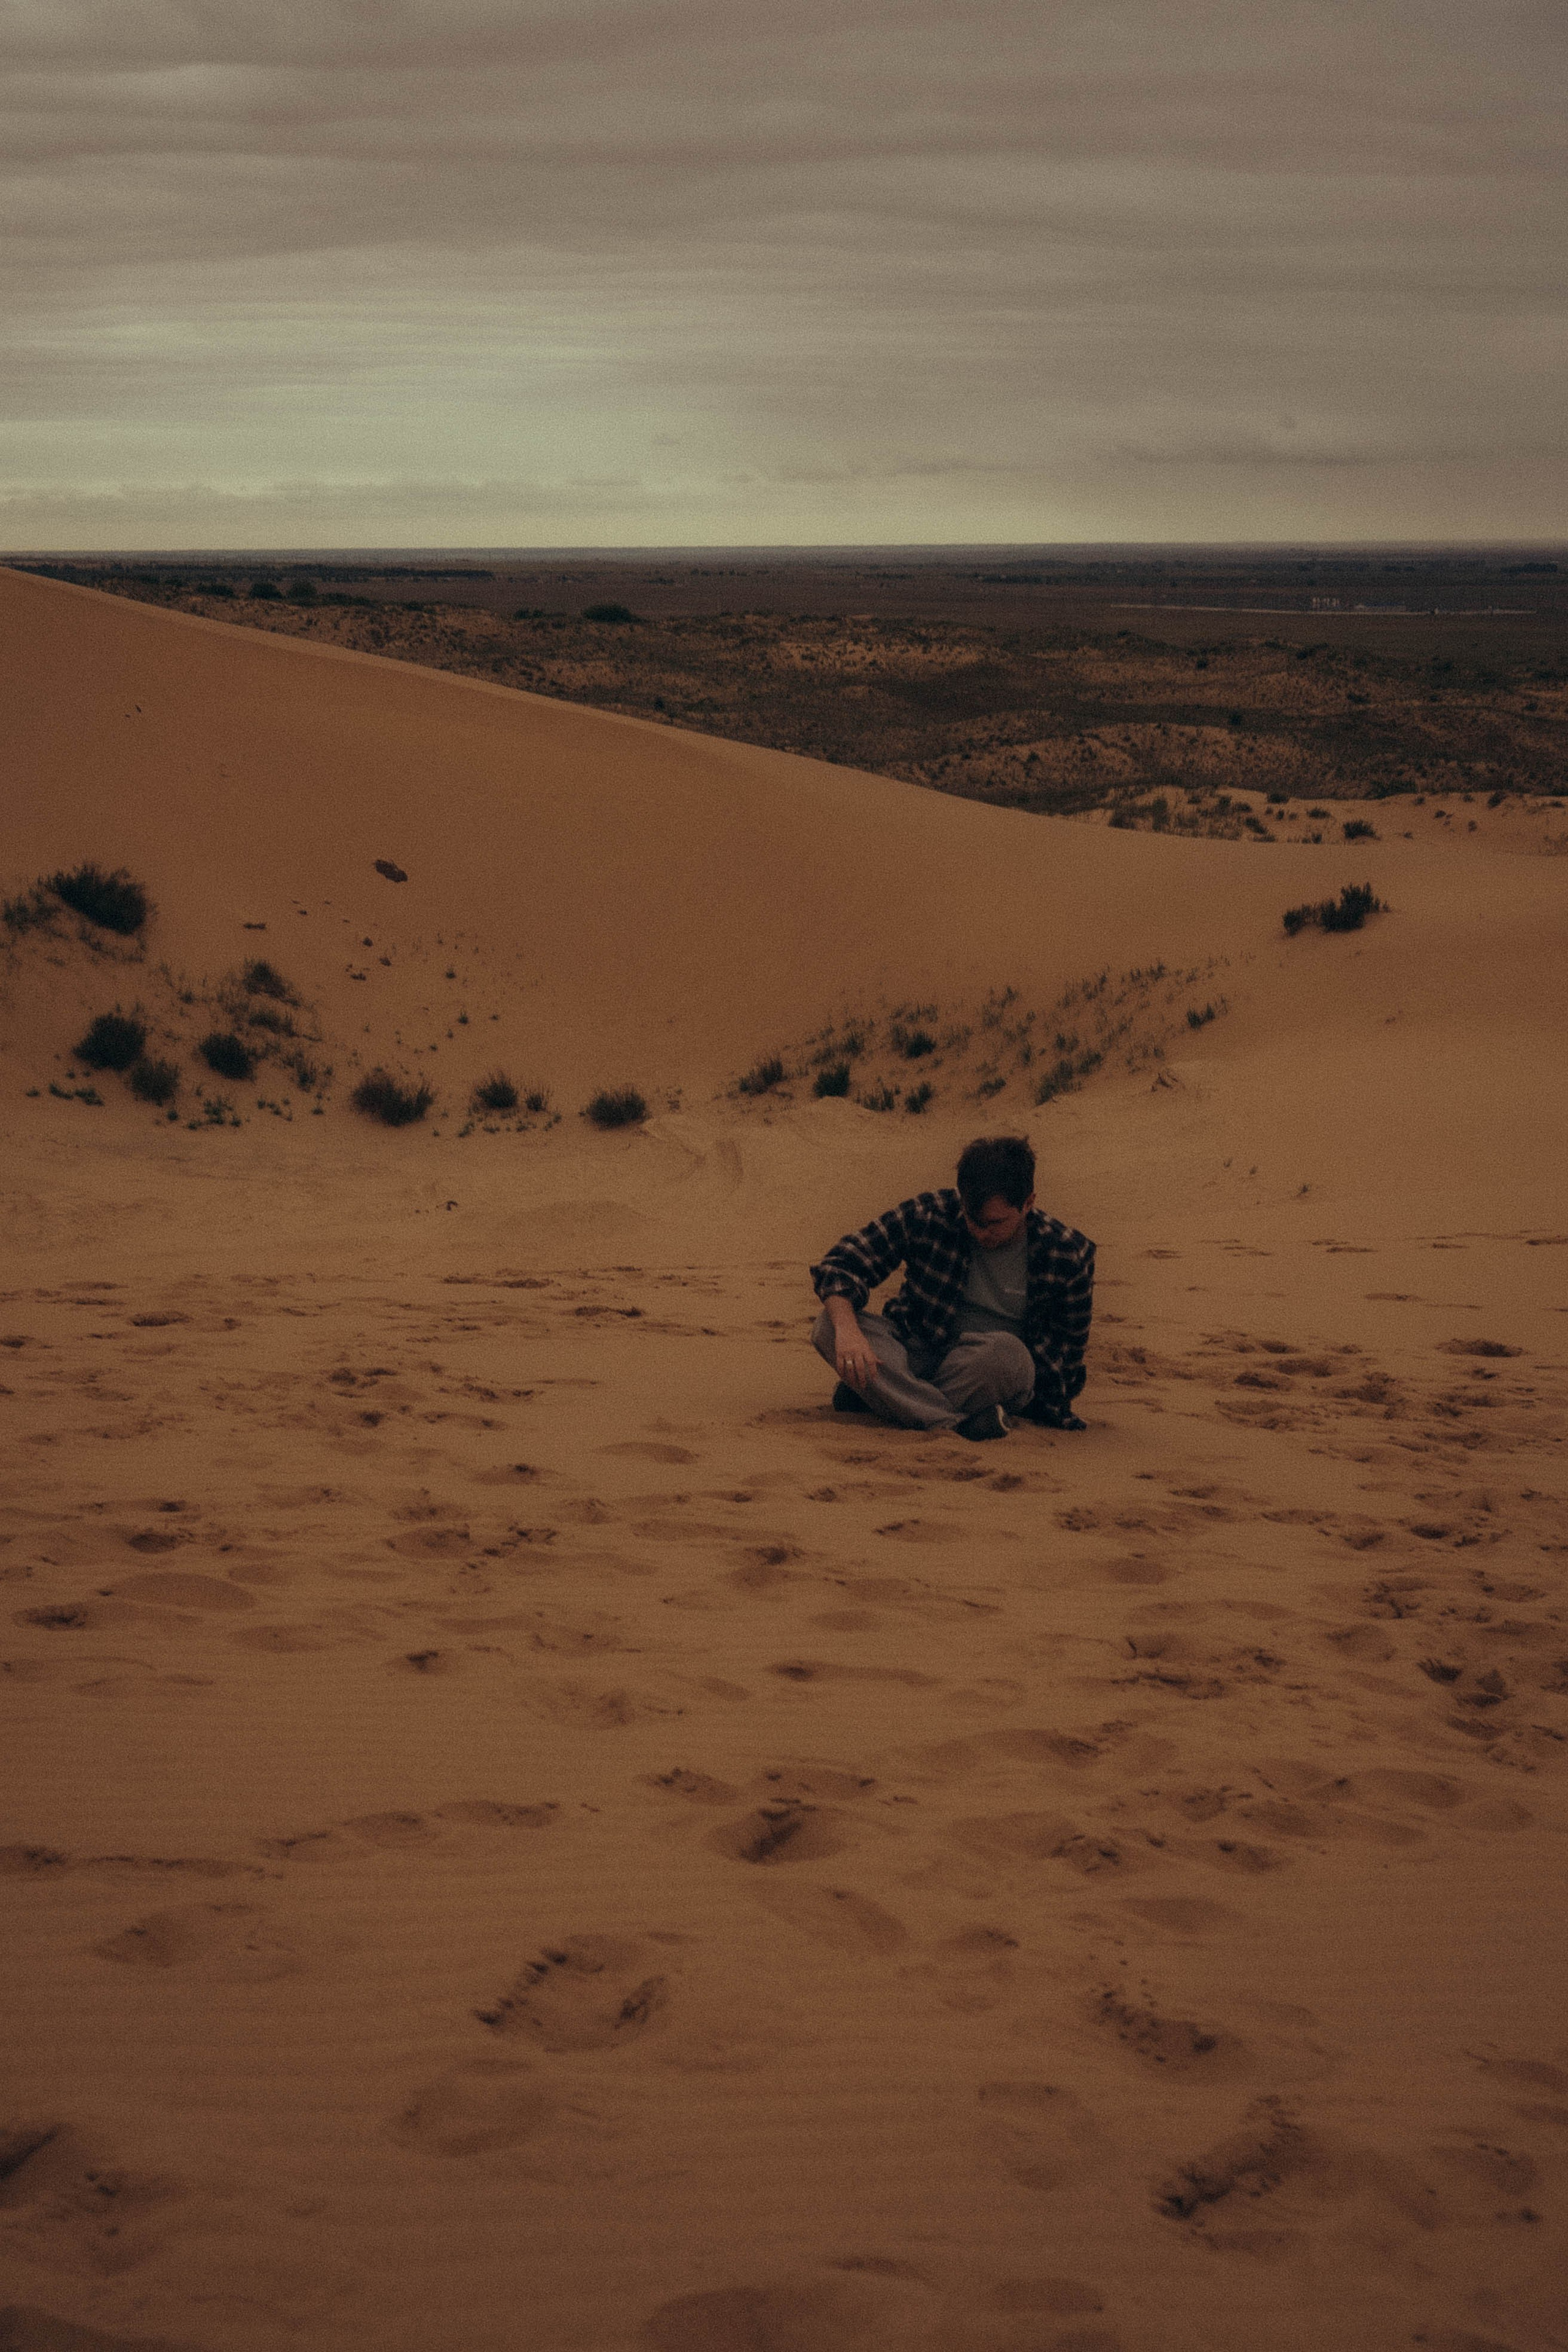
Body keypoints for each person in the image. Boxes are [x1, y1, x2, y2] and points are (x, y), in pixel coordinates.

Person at [810, 1134, 1093, 1441]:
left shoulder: (1067, 1253)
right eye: (973, 1219)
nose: (981, 1232)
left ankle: (885, 1399)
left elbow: (1065, 1359)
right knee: (829, 1325)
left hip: (984, 1374)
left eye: (995, 1223)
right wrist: (849, 1333)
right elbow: (840, 1265)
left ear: (1028, 1204)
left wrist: (1045, 1404)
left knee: (1008, 1355)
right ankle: (955, 1424)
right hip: (917, 1353)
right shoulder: (931, 1212)